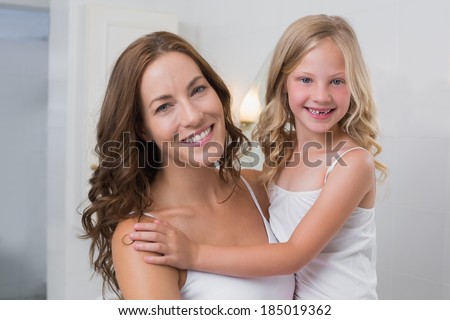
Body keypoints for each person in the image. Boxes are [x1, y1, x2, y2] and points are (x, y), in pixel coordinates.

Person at [129, 15, 388, 299]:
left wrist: (194, 253)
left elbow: (294, 255)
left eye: (337, 81)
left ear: (355, 85)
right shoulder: (280, 157)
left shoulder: (352, 163)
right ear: (282, 84)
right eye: (305, 79)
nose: (321, 96)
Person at [80, 31, 295, 300]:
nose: (193, 116)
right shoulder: (144, 238)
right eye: (164, 107)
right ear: (142, 129)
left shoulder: (259, 188)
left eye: (198, 90)